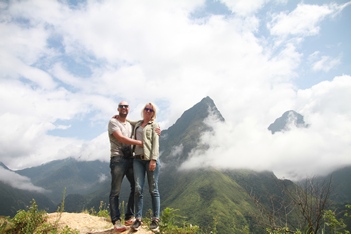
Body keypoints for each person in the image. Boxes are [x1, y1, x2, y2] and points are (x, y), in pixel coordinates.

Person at [108, 101, 143, 232]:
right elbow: (121, 138)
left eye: (126, 106)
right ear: (118, 108)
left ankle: (129, 216)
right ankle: (116, 221)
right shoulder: (113, 122)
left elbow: (142, 123)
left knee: (136, 186)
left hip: (130, 158)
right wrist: (140, 143)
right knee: (115, 191)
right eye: (121, 106)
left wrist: (156, 128)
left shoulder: (129, 124)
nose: (123, 108)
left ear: (128, 109)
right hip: (117, 158)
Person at [131, 102, 161, 232]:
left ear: (153, 113)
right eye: (146, 109)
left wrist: (153, 160)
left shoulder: (155, 125)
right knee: (138, 189)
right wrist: (119, 117)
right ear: (143, 110)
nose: (148, 111)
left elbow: (156, 144)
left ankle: (155, 219)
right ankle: (138, 219)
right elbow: (129, 122)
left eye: (151, 110)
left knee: (153, 189)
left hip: (150, 160)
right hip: (137, 160)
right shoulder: (138, 124)